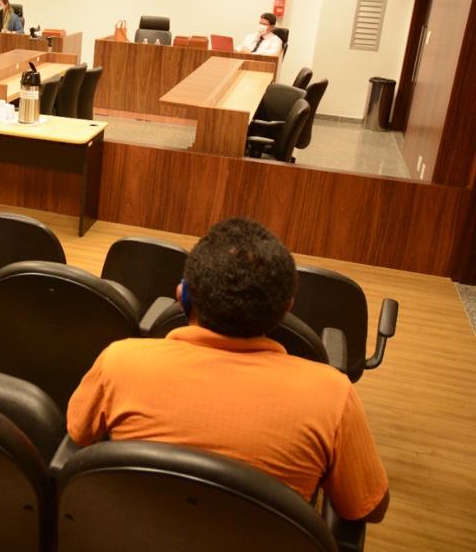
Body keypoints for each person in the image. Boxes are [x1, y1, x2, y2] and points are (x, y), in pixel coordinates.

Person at [67, 218, 389, 524]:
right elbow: (367, 510)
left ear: (183, 295)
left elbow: (79, 434)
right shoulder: (333, 395)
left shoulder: (119, 361)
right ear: (287, 308)